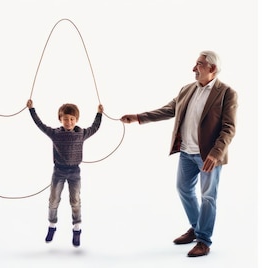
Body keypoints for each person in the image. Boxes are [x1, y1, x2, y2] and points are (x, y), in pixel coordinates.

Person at [120, 50, 237, 257]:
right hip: (186, 153)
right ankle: (197, 227)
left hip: (209, 156)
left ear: (212, 68)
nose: (194, 68)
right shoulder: (187, 89)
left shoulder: (227, 93)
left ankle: (203, 240)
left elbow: (229, 128)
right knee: (183, 189)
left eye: (199, 64)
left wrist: (215, 153)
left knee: (208, 197)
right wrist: (138, 117)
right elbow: (167, 110)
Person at [26, 99, 103, 247]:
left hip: (75, 172)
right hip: (59, 172)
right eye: (65, 119)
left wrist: (99, 113)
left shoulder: (81, 133)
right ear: (60, 119)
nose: (69, 122)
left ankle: (77, 228)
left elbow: (95, 127)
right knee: (53, 200)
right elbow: (40, 124)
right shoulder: (55, 134)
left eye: (72, 119)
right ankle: (52, 226)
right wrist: (31, 109)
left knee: (75, 201)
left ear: (76, 120)